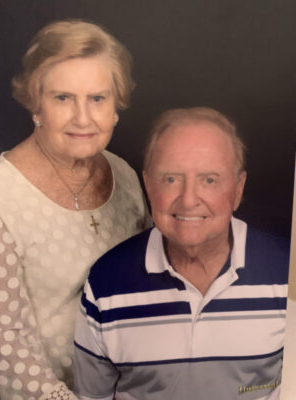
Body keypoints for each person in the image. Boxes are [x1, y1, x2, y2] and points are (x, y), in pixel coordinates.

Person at [74, 107, 290, 400]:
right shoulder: (105, 282)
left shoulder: (286, 273)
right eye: (171, 179)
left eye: (209, 180)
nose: (188, 200)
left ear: (238, 190)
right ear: (149, 184)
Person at [0, 19, 152, 400]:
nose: (83, 118)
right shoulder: (2, 197)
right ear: (36, 103)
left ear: (116, 108)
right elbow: (6, 347)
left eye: (97, 98)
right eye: (63, 98)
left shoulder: (125, 176)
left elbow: (150, 284)